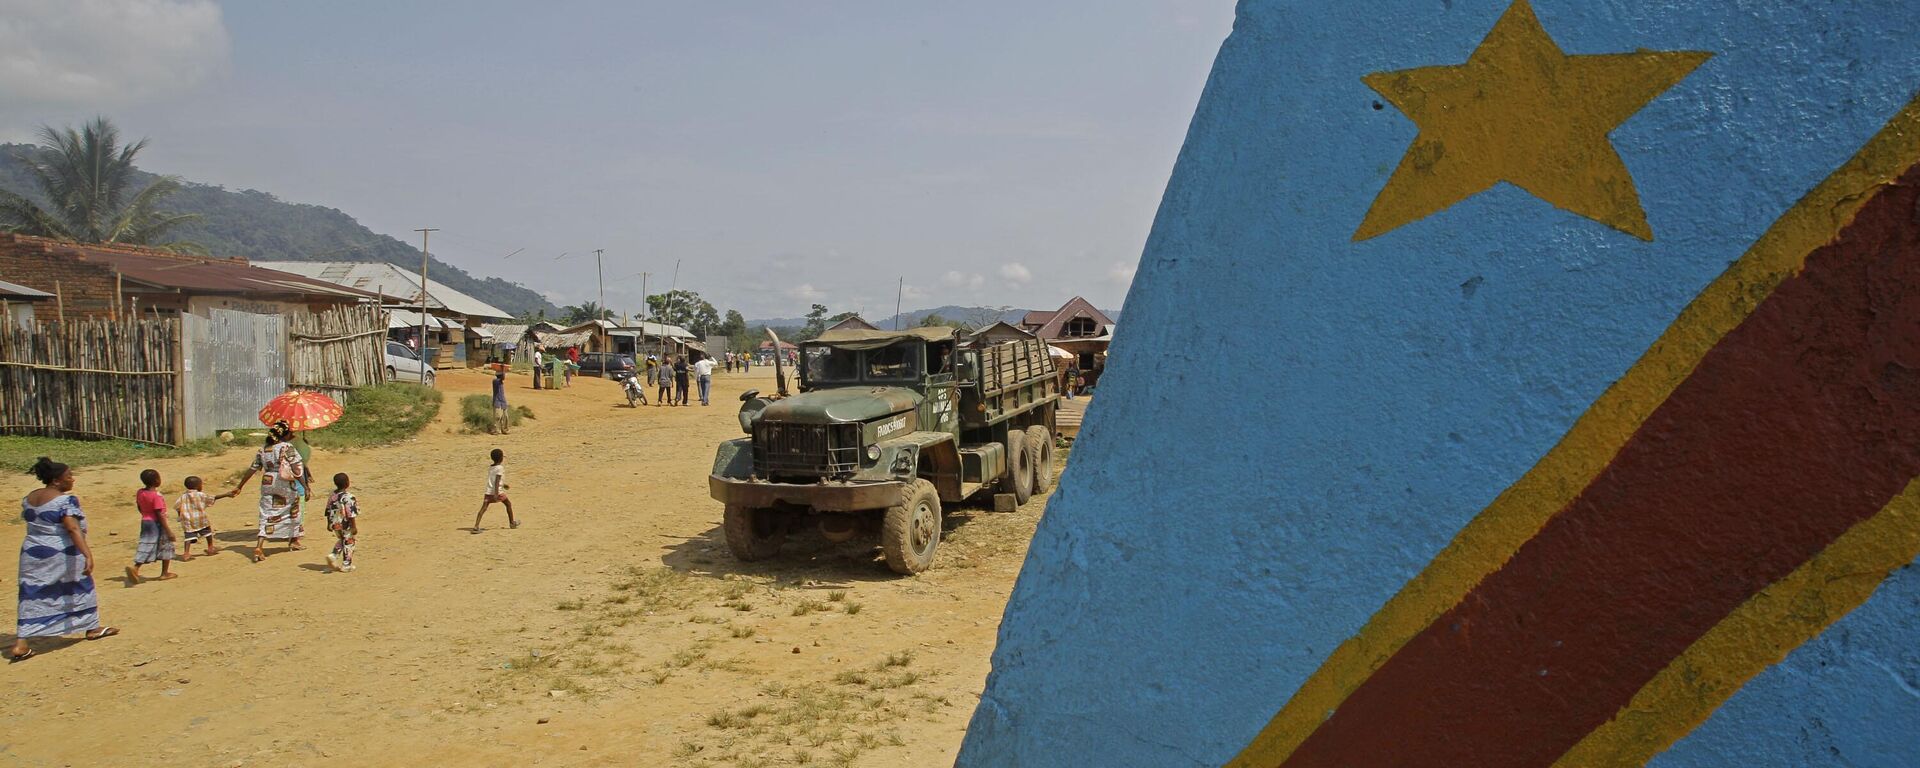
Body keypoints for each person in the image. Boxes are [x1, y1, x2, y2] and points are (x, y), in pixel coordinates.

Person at [14, 457, 118, 661]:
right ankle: (92, 628)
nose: (73, 479)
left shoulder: (29, 498)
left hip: (32, 551)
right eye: (69, 476)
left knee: (31, 591)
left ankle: (21, 642)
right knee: (79, 585)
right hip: (61, 551)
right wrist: (87, 553)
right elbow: (72, 528)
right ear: (56, 481)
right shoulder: (65, 501)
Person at [229, 421, 306, 562]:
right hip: (284, 482)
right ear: (286, 434)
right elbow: (296, 468)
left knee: (267, 512)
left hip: (267, 481)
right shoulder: (287, 447)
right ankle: (294, 540)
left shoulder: (263, 449)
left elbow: (252, 469)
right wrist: (305, 486)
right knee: (293, 508)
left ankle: (259, 546)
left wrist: (240, 486)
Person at [126, 469, 179, 585]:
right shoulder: (156, 496)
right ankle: (164, 573)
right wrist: (168, 530)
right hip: (157, 523)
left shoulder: (140, 492)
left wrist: (145, 515)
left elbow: (139, 506)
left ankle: (137, 567)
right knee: (166, 545)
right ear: (157, 481)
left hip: (145, 521)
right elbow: (159, 513)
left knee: (147, 544)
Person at [174, 475, 232, 561]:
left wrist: (179, 516)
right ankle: (210, 547)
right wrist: (226, 494)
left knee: (188, 537)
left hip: (188, 521)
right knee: (207, 532)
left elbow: (177, 507)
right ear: (198, 486)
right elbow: (213, 498)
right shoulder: (200, 495)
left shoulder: (183, 497)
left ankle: (186, 553)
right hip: (200, 519)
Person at [472, 448, 517, 533]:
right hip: (497, 492)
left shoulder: (491, 467)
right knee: (508, 504)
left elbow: (493, 480)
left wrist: (503, 484)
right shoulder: (500, 468)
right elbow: (497, 480)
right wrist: (496, 493)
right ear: (501, 458)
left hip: (488, 491)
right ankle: (512, 523)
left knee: (483, 508)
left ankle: (476, 526)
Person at [323, 473, 361, 573]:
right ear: (347, 483)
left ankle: (333, 555)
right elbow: (350, 514)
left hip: (335, 523)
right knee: (349, 542)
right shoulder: (349, 497)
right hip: (346, 524)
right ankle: (346, 565)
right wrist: (354, 527)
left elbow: (328, 510)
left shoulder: (332, 496)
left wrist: (328, 524)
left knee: (342, 539)